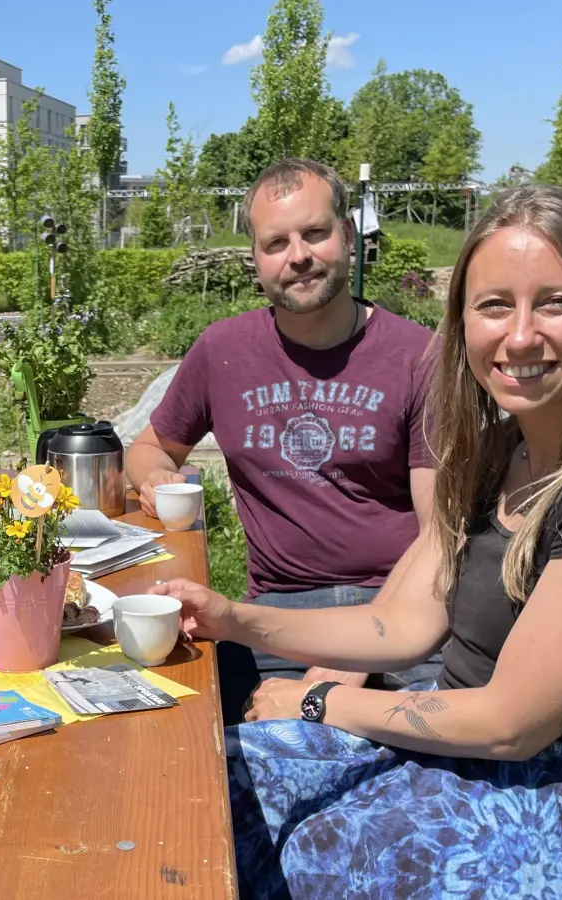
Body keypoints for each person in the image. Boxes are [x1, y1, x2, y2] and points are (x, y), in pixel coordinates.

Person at [156, 183, 562, 896]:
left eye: (556, 302)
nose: (519, 336)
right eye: (493, 306)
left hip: (552, 816)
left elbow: (510, 723)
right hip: (443, 767)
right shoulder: (493, 451)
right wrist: (232, 620)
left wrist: (316, 704)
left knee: (222, 845)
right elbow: (401, 623)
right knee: (188, 790)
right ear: (463, 325)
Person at [125, 158, 441, 719]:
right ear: (256, 259)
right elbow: (150, 448)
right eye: (276, 242)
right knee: (178, 740)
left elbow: (441, 533)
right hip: (278, 619)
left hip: (405, 618)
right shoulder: (224, 350)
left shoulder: (419, 356)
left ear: (346, 236)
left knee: (419, 775)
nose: (298, 255)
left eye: (315, 233)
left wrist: (364, 646)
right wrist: (157, 478)